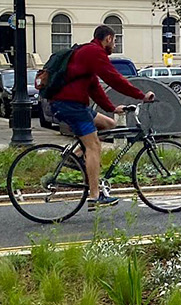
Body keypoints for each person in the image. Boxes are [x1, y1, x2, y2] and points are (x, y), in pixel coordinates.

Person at [48, 25, 154, 210]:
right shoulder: (94, 52)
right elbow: (114, 78)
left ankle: (75, 157)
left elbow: (94, 87)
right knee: (94, 146)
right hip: (70, 104)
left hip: (74, 103)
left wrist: (111, 108)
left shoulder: (87, 52)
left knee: (109, 123)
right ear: (108, 39)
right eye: (114, 41)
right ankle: (95, 197)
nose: (115, 44)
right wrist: (141, 95)